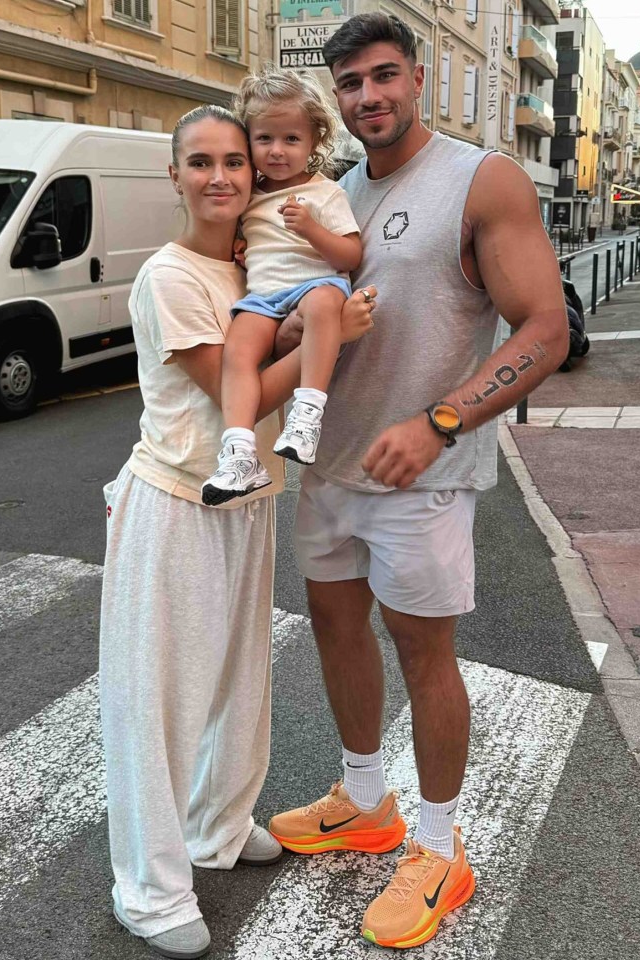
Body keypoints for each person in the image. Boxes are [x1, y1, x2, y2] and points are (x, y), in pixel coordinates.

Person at [268, 11, 569, 951]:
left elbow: (546, 330)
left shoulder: (482, 179)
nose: (370, 98)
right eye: (352, 84)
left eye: (385, 76)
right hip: (326, 467)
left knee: (424, 655)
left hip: (422, 476)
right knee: (333, 628)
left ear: (419, 77)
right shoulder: (335, 191)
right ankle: (366, 801)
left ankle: (440, 848)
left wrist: (442, 422)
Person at [98, 105, 376, 960]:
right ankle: (147, 890)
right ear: (173, 175)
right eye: (200, 162)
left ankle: (216, 828)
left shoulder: (256, 263)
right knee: (160, 700)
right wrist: (339, 333)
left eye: (234, 161)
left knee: (236, 683)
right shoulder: (172, 275)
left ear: (257, 174)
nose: (220, 176)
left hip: (247, 500)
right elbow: (232, 390)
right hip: (178, 502)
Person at [201, 68, 362, 506]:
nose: (277, 151)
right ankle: (239, 453)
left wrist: (311, 229)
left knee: (326, 301)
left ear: (313, 143)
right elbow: (251, 239)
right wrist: (241, 247)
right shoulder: (248, 196)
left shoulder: (325, 193)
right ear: (248, 140)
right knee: (237, 353)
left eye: (291, 139)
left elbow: (350, 257)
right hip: (264, 297)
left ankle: (308, 413)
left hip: (316, 283)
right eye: (265, 139)